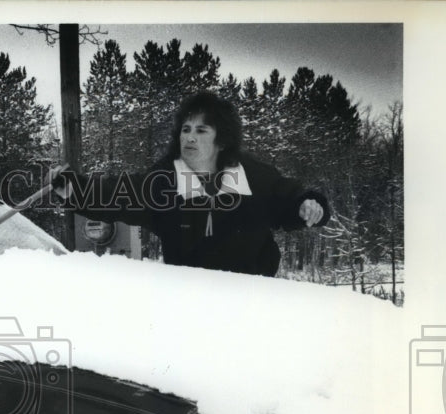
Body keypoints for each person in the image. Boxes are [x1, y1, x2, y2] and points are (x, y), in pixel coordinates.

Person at [54, 91, 330, 276]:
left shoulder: (254, 176)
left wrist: (308, 206)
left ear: (222, 140)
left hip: (253, 299)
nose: (189, 138)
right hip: (189, 303)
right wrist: (75, 190)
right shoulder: (164, 182)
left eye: (201, 130)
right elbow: (118, 195)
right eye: (185, 130)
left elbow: (290, 199)